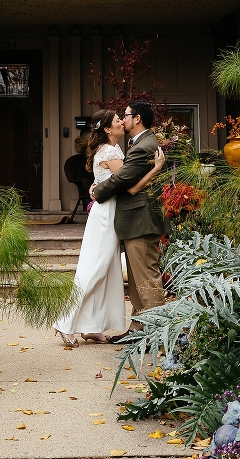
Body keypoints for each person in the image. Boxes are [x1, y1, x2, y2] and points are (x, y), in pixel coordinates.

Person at [53, 108, 165, 347]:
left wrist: (95, 187)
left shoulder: (114, 149)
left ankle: (92, 326)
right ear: (107, 128)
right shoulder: (109, 150)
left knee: (106, 272)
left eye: (123, 117)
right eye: (117, 120)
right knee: (94, 270)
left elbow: (108, 181)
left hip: (112, 214)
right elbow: (130, 187)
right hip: (105, 217)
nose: (122, 122)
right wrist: (156, 168)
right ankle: (64, 323)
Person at [91, 100, 170, 343]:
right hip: (134, 221)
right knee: (136, 281)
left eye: (125, 115)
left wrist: (97, 192)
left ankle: (157, 333)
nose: (123, 119)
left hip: (141, 221)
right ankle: (138, 329)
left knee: (147, 278)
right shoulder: (139, 144)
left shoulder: (144, 146)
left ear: (136, 118)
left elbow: (122, 180)